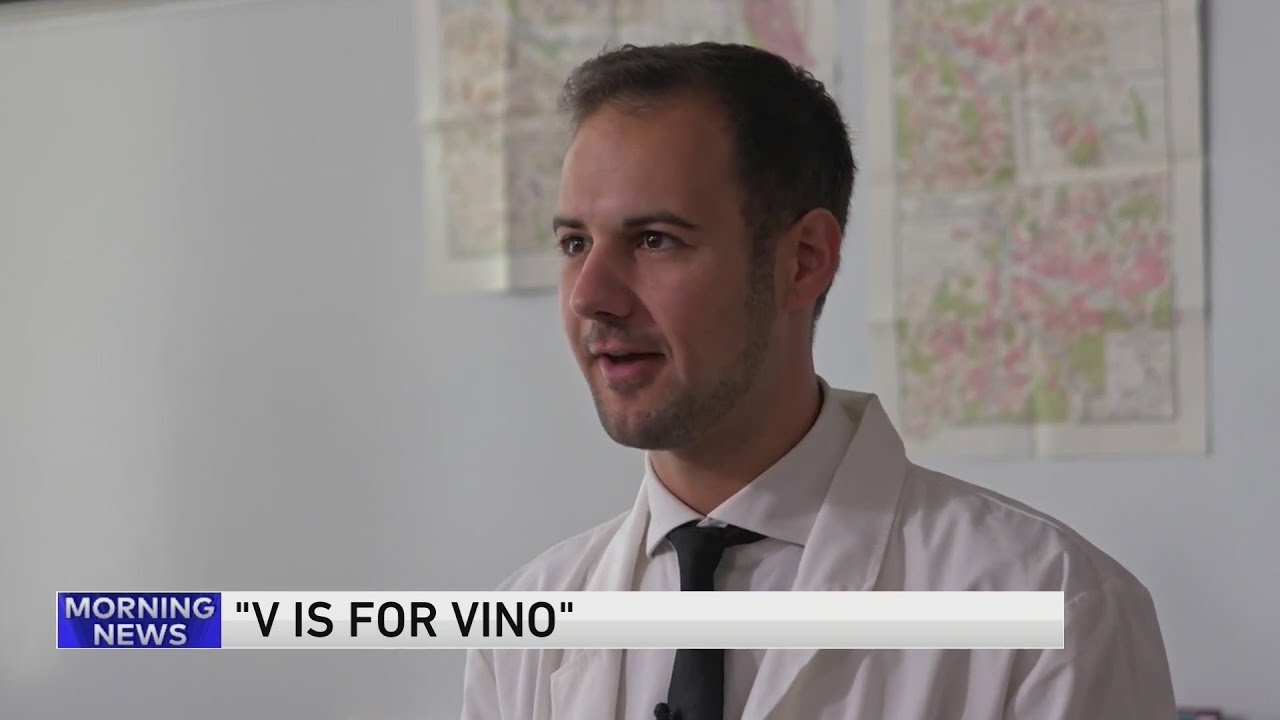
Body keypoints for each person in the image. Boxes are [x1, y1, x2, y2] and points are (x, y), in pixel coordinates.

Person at [460, 42, 1177, 720]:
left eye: (655, 240)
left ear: (803, 260)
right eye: (575, 243)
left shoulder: (1054, 606)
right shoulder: (522, 633)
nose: (591, 296)